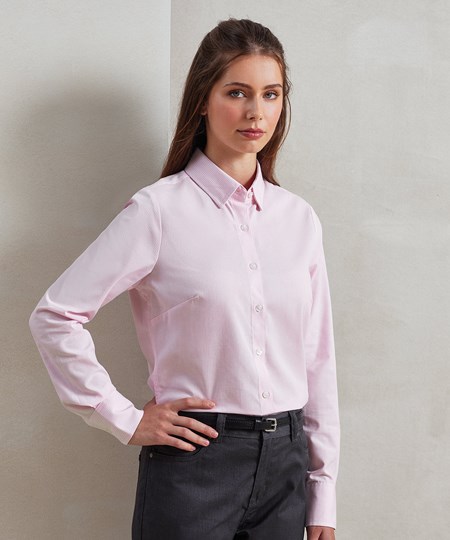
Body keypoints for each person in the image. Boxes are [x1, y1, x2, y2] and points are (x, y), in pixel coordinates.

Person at [29, 18, 340, 540]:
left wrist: (322, 495)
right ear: (202, 100)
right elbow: (55, 316)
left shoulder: (299, 219)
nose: (256, 112)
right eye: (236, 92)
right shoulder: (157, 211)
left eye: (270, 94)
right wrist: (126, 418)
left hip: (287, 468)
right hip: (196, 462)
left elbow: (318, 360)